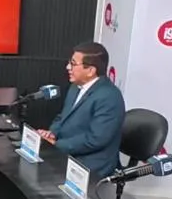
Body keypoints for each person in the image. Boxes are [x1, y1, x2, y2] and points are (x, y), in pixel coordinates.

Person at [37, 42, 126, 179]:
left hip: (91, 165)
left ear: (90, 71)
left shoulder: (109, 97)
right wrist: (52, 133)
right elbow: (63, 117)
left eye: (73, 64)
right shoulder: (75, 87)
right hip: (67, 152)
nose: (68, 67)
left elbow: (96, 139)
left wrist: (56, 145)